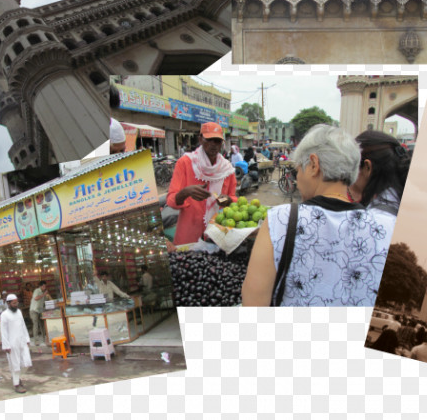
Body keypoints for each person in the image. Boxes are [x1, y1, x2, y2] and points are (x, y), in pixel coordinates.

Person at [242, 124, 394, 307]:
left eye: (298, 170)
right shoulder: (387, 227)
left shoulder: (281, 219)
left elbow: (253, 306)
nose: (297, 180)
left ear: (314, 165)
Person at [167, 122, 238, 246]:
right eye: (209, 140)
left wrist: (228, 200)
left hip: (217, 236)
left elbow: (233, 199)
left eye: (217, 141)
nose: (213, 144)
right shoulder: (185, 163)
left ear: (222, 143)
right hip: (189, 235)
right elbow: (171, 200)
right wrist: (185, 192)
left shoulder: (227, 169)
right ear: (200, 139)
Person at [0, 294, 32, 394]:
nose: (16, 304)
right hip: (12, 343)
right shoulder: (4, 315)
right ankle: (16, 384)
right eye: (14, 303)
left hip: (22, 341)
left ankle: (17, 378)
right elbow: (3, 332)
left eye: (16, 302)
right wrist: (6, 346)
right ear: (8, 303)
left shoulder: (19, 312)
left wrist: (27, 339)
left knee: (26, 362)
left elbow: (23, 326)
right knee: (15, 364)